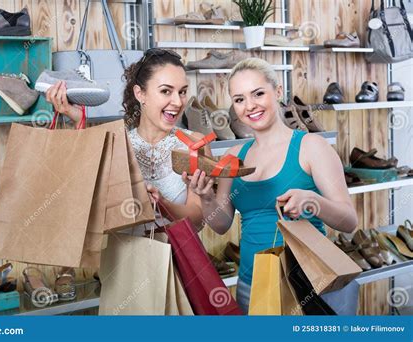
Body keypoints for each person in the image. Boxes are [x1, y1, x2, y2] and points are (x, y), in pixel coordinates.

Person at [185, 58, 358, 314]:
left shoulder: (312, 147)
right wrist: (205, 197)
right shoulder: (233, 155)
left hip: (308, 283)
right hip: (252, 283)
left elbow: (349, 221)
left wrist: (312, 200)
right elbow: (221, 224)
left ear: (277, 92)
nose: (250, 106)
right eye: (239, 99)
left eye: (258, 93)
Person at [45, 48, 208, 229]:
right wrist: (76, 119)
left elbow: (197, 218)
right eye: (166, 91)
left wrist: (162, 203)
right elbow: (84, 202)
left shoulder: (195, 143)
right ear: (140, 94)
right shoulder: (116, 144)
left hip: (178, 255)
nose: (178, 102)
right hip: (123, 254)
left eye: (183, 92)